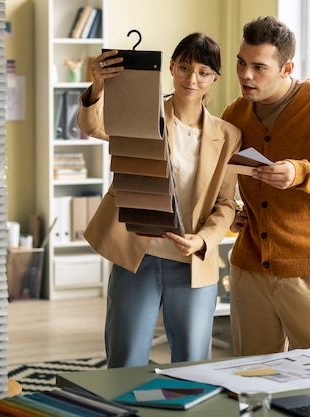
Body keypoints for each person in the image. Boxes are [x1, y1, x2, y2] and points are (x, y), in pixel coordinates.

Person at [77, 33, 242, 368]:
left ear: (214, 79)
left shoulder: (228, 135)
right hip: (138, 255)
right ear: (171, 68)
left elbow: (226, 204)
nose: (191, 79)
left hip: (193, 262)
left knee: (194, 369)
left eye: (202, 72)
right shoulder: (144, 113)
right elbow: (92, 126)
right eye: (184, 67)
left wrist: (202, 240)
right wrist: (98, 86)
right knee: (124, 364)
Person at [220, 16, 310, 356]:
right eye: (241, 63)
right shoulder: (235, 114)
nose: (245, 75)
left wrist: (300, 173)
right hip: (250, 270)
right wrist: (228, 212)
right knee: (252, 376)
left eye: (259, 67)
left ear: (287, 68)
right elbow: (215, 174)